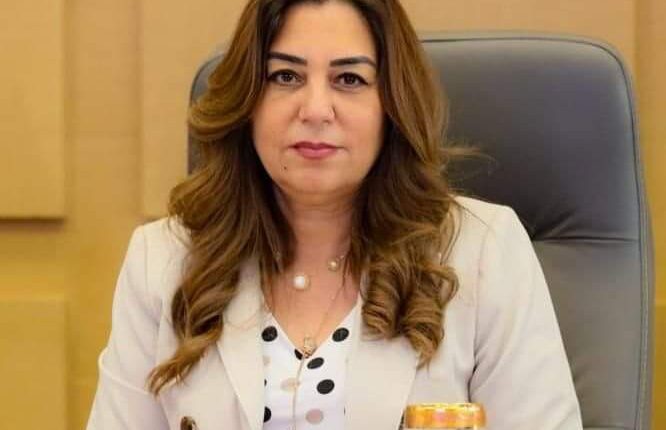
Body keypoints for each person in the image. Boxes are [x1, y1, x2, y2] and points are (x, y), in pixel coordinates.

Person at [87, 0, 583, 429]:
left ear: (391, 105)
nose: (316, 109)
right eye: (286, 77)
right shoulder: (164, 260)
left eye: (349, 79)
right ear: (247, 102)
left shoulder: (484, 252)